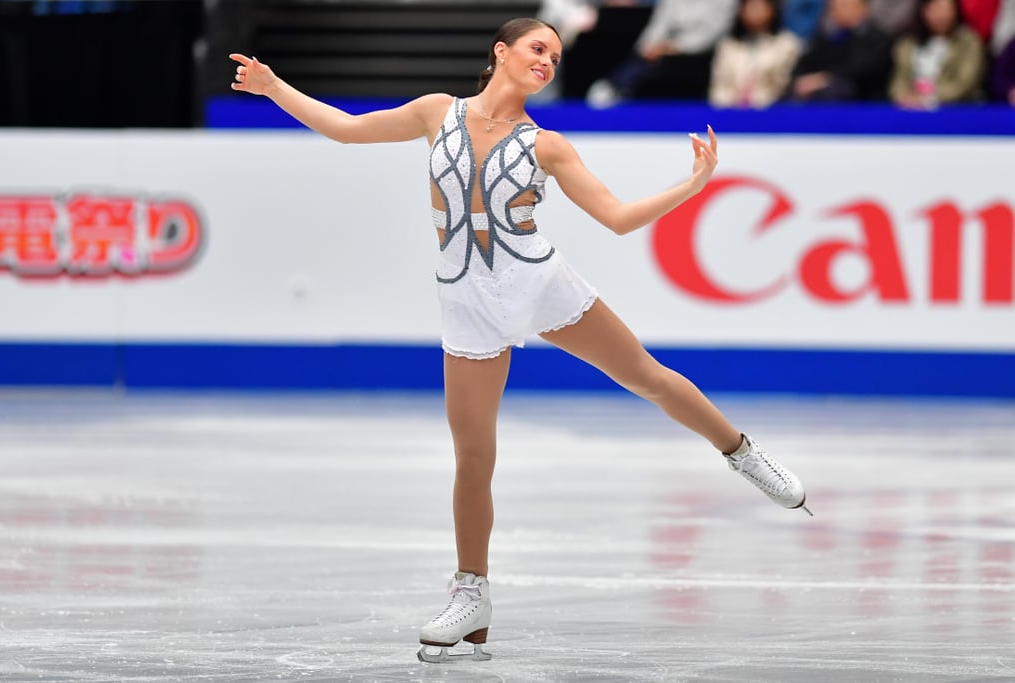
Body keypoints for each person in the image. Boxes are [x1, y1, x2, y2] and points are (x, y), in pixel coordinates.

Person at [229, 17, 811, 664]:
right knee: (473, 456)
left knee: (645, 375)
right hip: (466, 300)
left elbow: (617, 218)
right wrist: (275, 85)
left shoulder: (547, 145)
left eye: (556, 56)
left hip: (538, 283)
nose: (548, 61)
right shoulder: (435, 112)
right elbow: (347, 127)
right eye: (538, 48)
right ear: (500, 51)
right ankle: (471, 592)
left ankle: (741, 451)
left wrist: (691, 185)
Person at [586, 0, 737, 106]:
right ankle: (613, 88)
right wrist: (648, 47)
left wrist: (675, 46)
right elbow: (658, 24)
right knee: (639, 60)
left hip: (698, 53)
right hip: (664, 48)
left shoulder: (723, 2)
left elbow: (712, 34)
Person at [789, 0, 895, 101]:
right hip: (825, 94)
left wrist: (825, 79)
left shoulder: (878, 39)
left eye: (845, 5)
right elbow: (804, 63)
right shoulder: (827, 37)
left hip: (865, 102)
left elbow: (862, 72)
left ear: (864, 8)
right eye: (835, 7)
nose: (839, 11)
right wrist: (804, 80)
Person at [889, 0, 986, 109]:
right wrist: (903, 97)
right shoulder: (908, 43)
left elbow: (964, 84)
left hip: (954, 110)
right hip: (911, 110)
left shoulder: (969, 42)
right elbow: (899, 81)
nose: (941, 14)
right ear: (924, 11)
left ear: (956, 11)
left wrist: (927, 99)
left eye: (946, 9)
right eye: (935, 8)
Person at [709, 0, 803, 108]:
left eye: (759, 7)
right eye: (750, 7)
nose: (754, 12)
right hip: (729, 112)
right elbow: (719, 86)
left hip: (772, 111)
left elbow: (783, 84)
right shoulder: (728, 45)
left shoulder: (787, 44)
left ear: (771, 10)